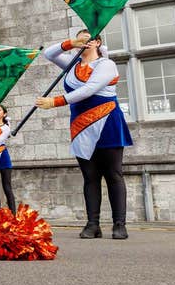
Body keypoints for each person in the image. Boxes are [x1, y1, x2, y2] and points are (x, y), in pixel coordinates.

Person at [38, 31, 132, 239]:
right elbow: (49, 55)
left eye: (89, 38)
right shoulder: (72, 66)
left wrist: (55, 101)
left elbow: (89, 89)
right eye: (81, 38)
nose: (85, 42)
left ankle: (119, 224)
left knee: (113, 175)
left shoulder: (106, 65)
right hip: (81, 126)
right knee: (90, 177)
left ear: (98, 42)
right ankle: (92, 224)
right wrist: (71, 43)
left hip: (107, 122)